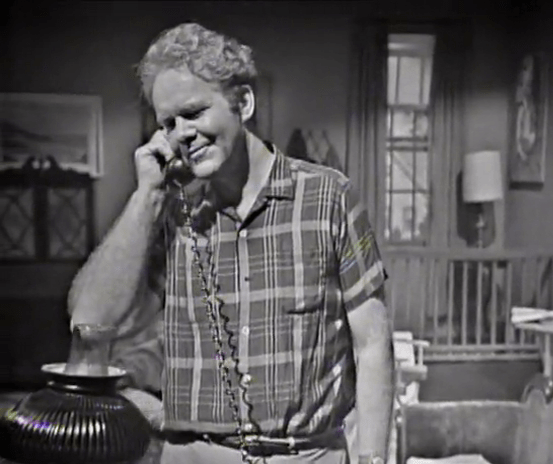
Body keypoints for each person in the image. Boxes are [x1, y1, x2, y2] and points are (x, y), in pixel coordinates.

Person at [67, 22, 394, 464]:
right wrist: (148, 196)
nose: (182, 133)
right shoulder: (171, 211)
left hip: (307, 455)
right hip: (194, 455)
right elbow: (89, 320)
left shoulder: (328, 197)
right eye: (168, 123)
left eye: (194, 112)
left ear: (243, 103)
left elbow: (372, 344)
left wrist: (373, 458)